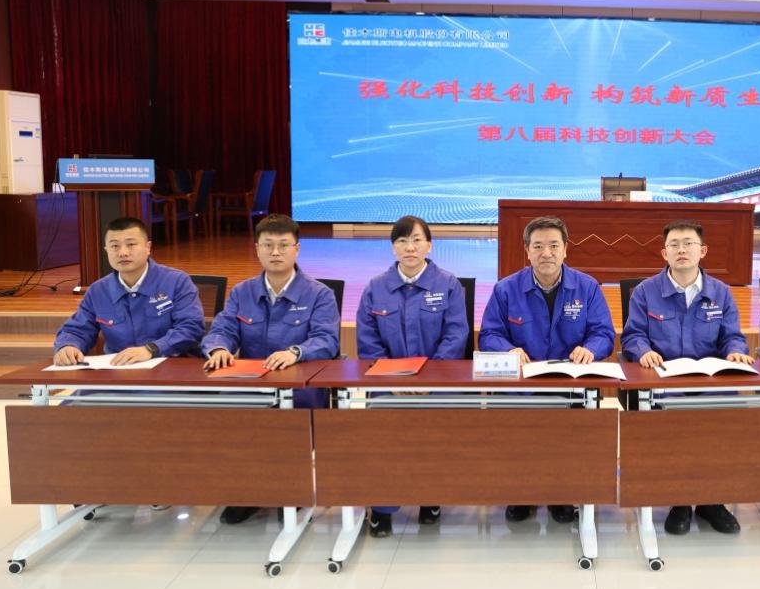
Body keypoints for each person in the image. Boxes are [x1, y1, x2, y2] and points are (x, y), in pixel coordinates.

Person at [201, 214, 341, 525]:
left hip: (301, 386)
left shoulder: (319, 294)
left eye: (283, 245)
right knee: (225, 411)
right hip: (251, 384)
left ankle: (290, 490)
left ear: (297, 249)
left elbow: (327, 339)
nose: (275, 252)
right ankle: (247, 492)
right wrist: (219, 348)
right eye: (268, 245)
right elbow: (222, 329)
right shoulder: (242, 292)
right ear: (257, 249)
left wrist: (296, 352)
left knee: (291, 418)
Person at [479, 215, 615, 524]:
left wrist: (590, 349)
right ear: (527, 251)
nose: (546, 253)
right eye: (538, 246)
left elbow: (604, 334)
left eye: (554, 245)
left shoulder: (587, 287)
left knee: (568, 435)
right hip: (521, 386)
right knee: (521, 434)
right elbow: (489, 334)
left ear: (566, 249)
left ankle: (561, 493)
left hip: (570, 385)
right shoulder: (506, 289)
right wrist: (508, 350)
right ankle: (522, 492)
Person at [621, 220, 754, 535]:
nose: (681, 250)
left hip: (710, 383)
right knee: (672, 425)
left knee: (723, 423)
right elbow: (632, 336)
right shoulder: (645, 292)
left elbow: (732, 337)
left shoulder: (721, 292)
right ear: (664, 253)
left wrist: (736, 351)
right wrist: (643, 351)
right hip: (664, 382)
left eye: (688, 243)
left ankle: (712, 501)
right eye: (674, 244)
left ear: (702, 250)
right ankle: (679, 499)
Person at [356, 215, 469, 537]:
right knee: (383, 437)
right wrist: (394, 380)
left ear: (429, 245)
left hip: (437, 383)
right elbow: (368, 341)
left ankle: (430, 498)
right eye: (402, 241)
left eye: (417, 240)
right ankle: (382, 508)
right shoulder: (375, 288)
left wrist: (426, 379)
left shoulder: (448, 284)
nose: (410, 247)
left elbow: (456, 335)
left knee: (434, 436)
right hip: (388, 384)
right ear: (393, 247)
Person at [53, 216, 203, 366]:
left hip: (170, 366)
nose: (123, 253)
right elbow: (77, 329)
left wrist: (151, 349)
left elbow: (190, 328)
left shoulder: (176, 281)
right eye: (114, 246)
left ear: (148, 247)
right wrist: (68, 346)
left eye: (131, 244)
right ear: (106, 250)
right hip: (117, 370)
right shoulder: (98, 291)